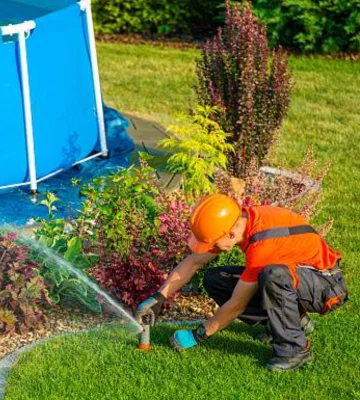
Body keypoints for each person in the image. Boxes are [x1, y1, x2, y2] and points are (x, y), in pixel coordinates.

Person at [135, 194, 348, 371]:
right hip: (298, 277)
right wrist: (160, 296)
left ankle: (296, 350)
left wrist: (198, 334)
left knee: (273, 276)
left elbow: (236, 305)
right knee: (216, 280)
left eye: (213, 242)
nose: (212, 247)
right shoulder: (240, 220)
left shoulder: (262, 244)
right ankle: (294, 322)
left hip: (326, 286)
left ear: (230, 233)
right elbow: (194, 262)